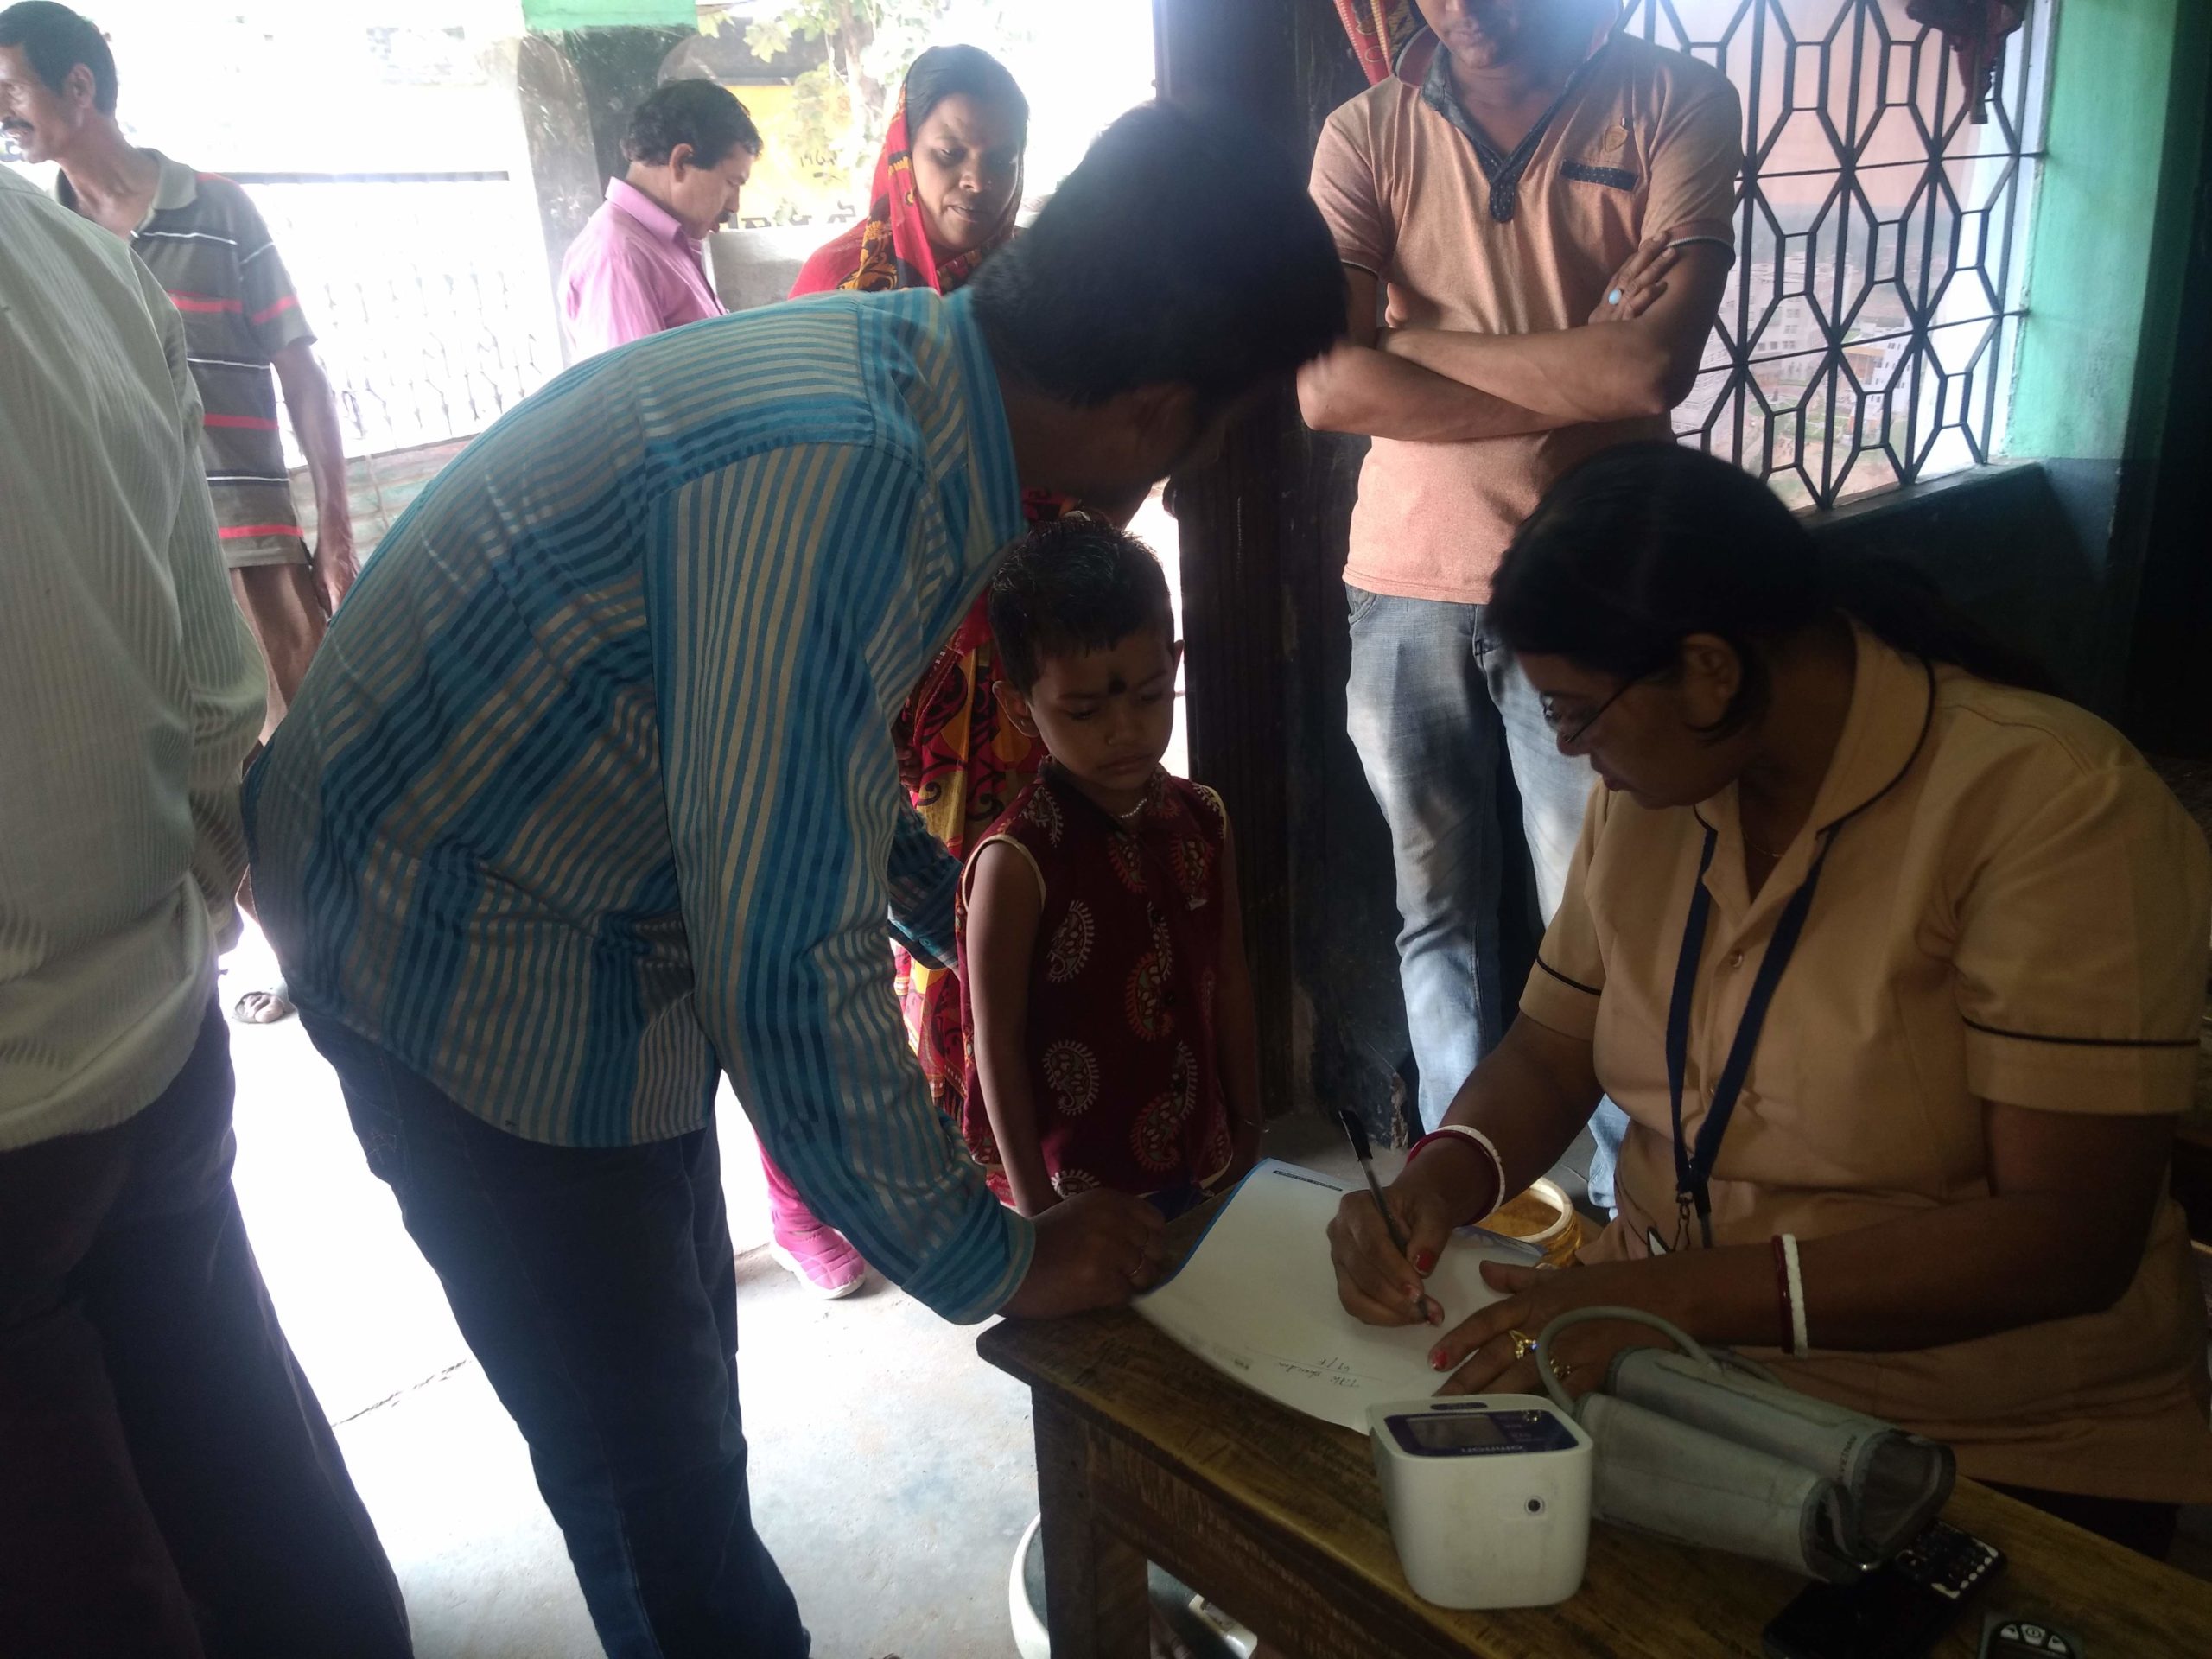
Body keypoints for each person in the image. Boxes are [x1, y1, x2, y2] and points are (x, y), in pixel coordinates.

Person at [244, 104, 1345, 1657]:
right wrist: (997, 1253)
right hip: (459, 945)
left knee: (676, 1370)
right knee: (655, 1479)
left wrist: (945, 906)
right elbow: (779, 959)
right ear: (1156, 413)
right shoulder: (846, 469)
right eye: (1212, 438)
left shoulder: (914, 385)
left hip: (564, 892)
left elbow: (803, 759)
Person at [1326, 443, 2212, 1560]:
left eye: (1577, 712)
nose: (1566, 749)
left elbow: (2067, 1236)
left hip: (1982, 1436)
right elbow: (1552, 1053)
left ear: (1708, 671)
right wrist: (1437, 1183)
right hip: (1669, 1366)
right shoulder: (1656, 790)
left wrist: (1678, 1300)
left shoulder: (2053, 809)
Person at [0, 164, 411, 1657]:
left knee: (76, 1571)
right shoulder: (72, 259)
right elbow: (212, 685)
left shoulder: (148, 235)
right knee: (231, 1439)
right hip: (150, 1022)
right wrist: (191, 907)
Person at [1298, 0, 1742, 1209]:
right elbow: (1326, 387)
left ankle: (1622, 1202)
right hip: (1403, 578)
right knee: (1432, 913)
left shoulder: (1674, 103)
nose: (1465, 11)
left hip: (1592, 586)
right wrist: (1574, 355)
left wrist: (1413, 349)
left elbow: (1650, 368)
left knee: (1596, 919)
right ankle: (1463, 1189)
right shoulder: (1367, 133)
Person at [1, 1, 360, 1027]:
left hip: (251, 551)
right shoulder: (46, 242)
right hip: (129, 563)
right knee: (180, 773)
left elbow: (302, 373)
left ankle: (351, 958)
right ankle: (261, 955)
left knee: (303, 768)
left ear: (78, 86)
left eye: (12, 88)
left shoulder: (218, 209)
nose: (3, 114)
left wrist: (333, 530)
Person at [776, 43, 1048, 1297]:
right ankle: (902, 1177)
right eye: (950, 153)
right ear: (903, 148)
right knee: (892, 921)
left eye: (999, 158)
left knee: (1013, 901)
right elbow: (807, 491)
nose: (975, 182)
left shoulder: (1040, 289)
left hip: (1024, 663)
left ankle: (1007, 1152)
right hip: (892, 669)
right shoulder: (840, 285)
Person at [957, 518, 1263, 1219]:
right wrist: (1041, 1213)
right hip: (1083, 1199)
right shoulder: (1017, 863)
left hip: (1207, 1157)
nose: (1124, 730)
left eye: (1149, 696)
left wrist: (1249, 1124)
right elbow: (997, 1046)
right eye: (1085, 710)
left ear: (1175, 666)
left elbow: (1230, 977)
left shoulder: (1205, 820)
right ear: (1021, 708)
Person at [560, 78, 760, 359]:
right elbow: (640, 386)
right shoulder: (618, 257)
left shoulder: (661, 245)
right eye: (731, 183)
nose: (734, 205)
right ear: (681, 161)